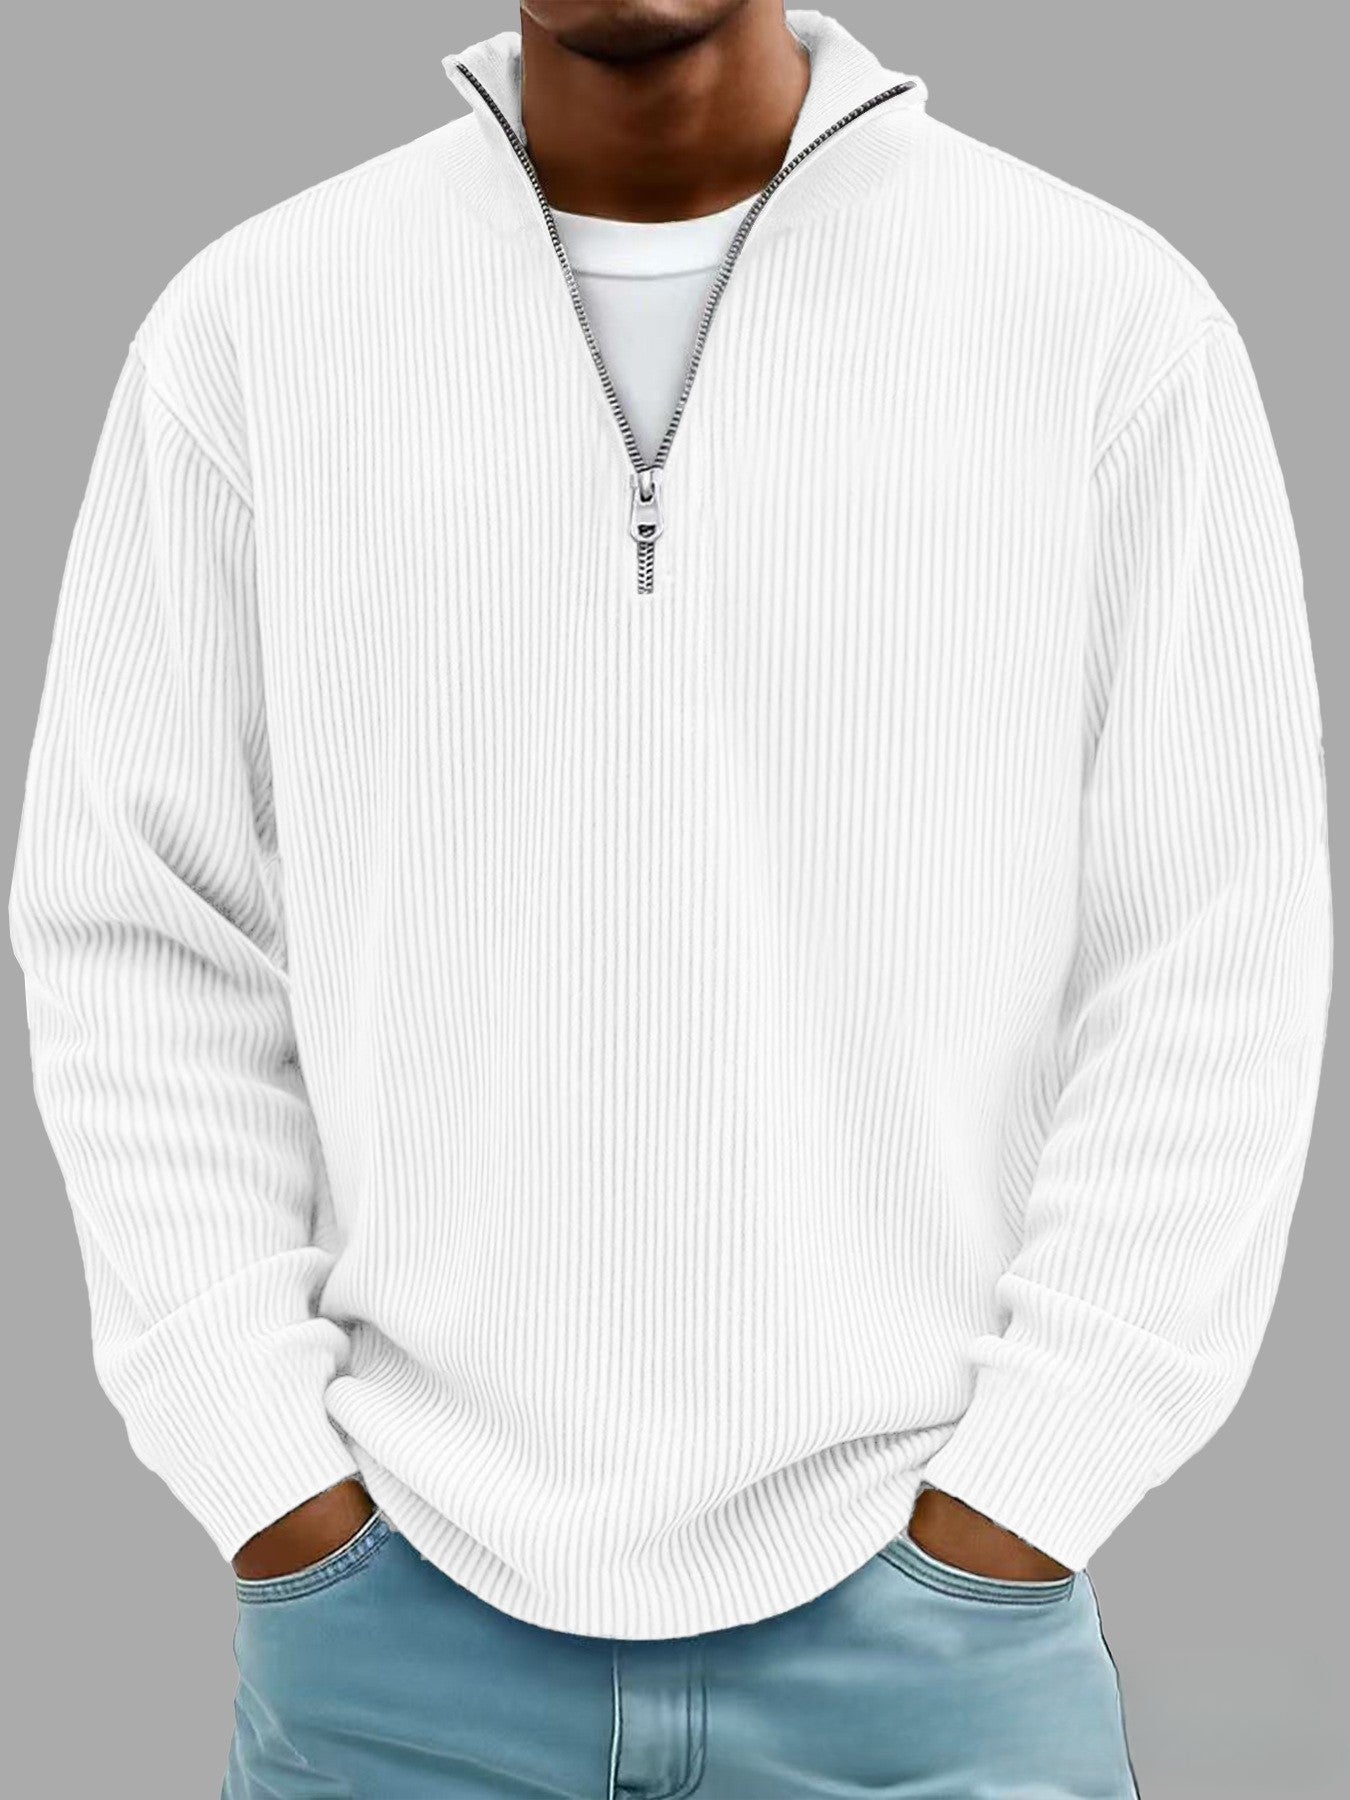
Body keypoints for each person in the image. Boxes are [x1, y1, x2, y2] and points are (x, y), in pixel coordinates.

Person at [8, 4, 1331, 1795]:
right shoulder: (255, 330)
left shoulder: (1099, 322)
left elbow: (1215, 950)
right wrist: (267, 1478)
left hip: (933, 1664)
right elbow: (136, 932)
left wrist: (1027, 1494)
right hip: (394, 1664)